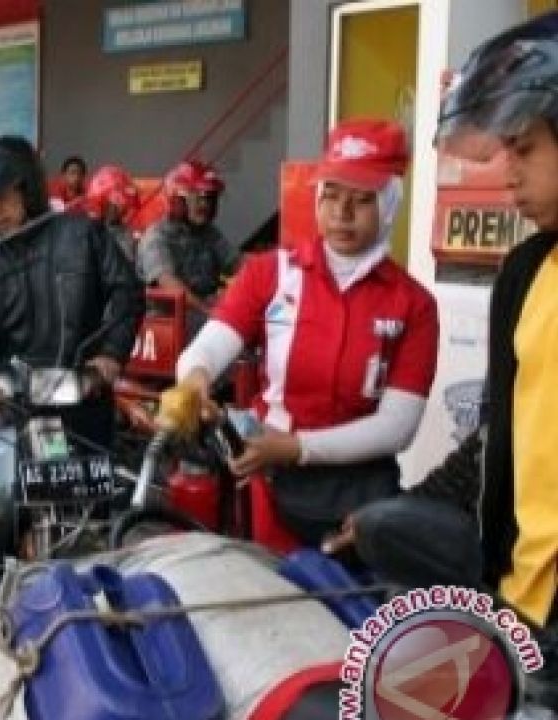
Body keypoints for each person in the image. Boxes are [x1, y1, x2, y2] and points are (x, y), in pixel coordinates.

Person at [337, 12, 558, 631]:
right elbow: (494, 443)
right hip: (521, 600)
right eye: (504, 149)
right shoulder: (525, 273)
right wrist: (404, 509)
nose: (508, 170)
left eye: (526, 148)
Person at [176, 119, 440, 555]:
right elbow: (208, 347)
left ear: (390, 204)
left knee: (355, 613)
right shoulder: (269, 273)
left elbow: (398, 427)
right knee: (277, 604)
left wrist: (297, 449)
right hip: (274, 484)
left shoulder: (414, 305)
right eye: (331, 195)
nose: (342, 213)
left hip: (362, 492)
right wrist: (194, 379)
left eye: (361, 200)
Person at [0, 136, 145, 452]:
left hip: (86, 395)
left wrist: (111, 354)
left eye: (2, 197)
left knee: (98, 496)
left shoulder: (84, 235)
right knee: (17, 497)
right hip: (19, 408)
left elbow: (128, 291)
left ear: (26, 188)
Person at [139, 160, 241, 335]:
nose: (206, 205)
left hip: (201, 314)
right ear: (177, 198)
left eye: (210, 198)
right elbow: (169, 284)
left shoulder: (208, 233)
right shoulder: (157, 237)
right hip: (167, 322)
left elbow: (239, 263)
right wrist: (210, 313)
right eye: (199, 197)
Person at [85, 164, 140, 263]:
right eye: (113, 203)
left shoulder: (128, 235)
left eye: (121, 203)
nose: (119, 208)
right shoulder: (89, 233)